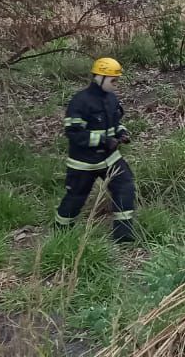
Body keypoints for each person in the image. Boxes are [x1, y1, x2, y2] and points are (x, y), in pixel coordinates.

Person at [55, 57, 136, 243]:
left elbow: (116, 123)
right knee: (76, 198)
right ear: (99, 78)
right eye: (112, 80)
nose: (115, 84)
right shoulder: (80, 102)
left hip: (110, 159)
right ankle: (60, 234)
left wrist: (122, 133)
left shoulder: (111, 99)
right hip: (83, 163)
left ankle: (123, 237)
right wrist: (102, 140)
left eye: (117, 80)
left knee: (125, 187)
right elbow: (74, 133)